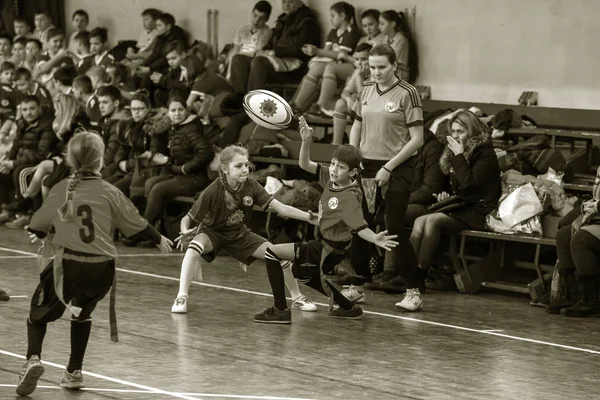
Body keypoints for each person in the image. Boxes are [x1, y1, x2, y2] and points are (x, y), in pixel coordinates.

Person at [14, 131, 173, 397]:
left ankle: (33, 358)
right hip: (102, 268)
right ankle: (74, 371)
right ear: (100, 162)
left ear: (69, 160)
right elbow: (137, 223)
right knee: (81, 314)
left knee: (37, 314)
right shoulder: (110, 191)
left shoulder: (62, 188)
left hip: (69, 265)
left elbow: (38, 224)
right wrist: (158, 239)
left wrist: (43, 233)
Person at [253, 118, 398, 323]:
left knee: (272, 252)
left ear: (353, 172)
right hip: (324, 244)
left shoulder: (349, 197)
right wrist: (306, 141)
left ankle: (280, 310)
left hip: (329, 249)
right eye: (333, 164)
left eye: (340, 167)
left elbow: (359, 226)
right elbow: (304, 164)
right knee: (302, 274)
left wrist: (375, 238)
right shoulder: (331, 179)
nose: (333, 169)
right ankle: (348, 307)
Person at [172, 144, 318, 314]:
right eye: (238, 166)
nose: (245, 169)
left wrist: (309, 217)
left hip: (239, 234)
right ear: (225, 169)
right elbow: (187, 218)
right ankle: (181, 297)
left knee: (279, 255)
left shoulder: (252, 186)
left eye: (246, 165)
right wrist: (184, 231)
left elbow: (281, 208)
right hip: (212, 233)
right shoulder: (213, 190)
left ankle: (297, 297)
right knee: (193, 248)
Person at [348, 43, 424, 311]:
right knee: (360, 225)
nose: (376, 72)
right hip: (366, 165)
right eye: (372, 67)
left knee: (393, 226)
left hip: (398, 166)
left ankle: (413, 290)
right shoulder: (366, 90)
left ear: (394, 65)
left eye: (382, 67)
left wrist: (389, 168)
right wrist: (353, 157)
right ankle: (358, 285)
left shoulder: (408, 93)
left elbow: (417, 139)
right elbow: (357, 123)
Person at [411, 110, 501, 290]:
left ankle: (419, 275)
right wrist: (445, 195)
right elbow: (455, 185)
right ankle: (408, 271)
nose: (455, 136)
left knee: (433, 221)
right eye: (453, 131)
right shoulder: (454, 150)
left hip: (480, 209)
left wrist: (459, 156)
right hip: (463, 205)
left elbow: (469, 184)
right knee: (420, 220)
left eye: (460, 131)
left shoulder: (485, 153)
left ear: (472, 131)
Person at [142, 96, 212, 231]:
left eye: (180, 109)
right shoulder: (175, 127)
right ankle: (156, 228)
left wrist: (185, 168)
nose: (177, 113)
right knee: (150, 182)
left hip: (194, 177)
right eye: (173, 110)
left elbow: (206, 153)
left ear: (186, 111)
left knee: (158, 189)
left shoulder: (191, 128)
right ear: (168, 113)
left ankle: (144, 231)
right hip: (177, 173)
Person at [229, 0, 321, 94]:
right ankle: (238, 100)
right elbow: (272, 42)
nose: (286, 5)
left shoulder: (308, 23)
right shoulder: (283, 20)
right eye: (284, 1)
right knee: (238, 59)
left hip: (294, 69)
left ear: (300, 2)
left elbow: (301, 51)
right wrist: (263, 51)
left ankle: (252, 104)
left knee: (259, 62)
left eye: (291, 2)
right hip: (277, 61)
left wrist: (274, 52)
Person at [312, 9, 384, 119]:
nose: (368, 29)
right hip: (356, 67)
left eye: (371, 24)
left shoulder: (383, 39)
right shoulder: (362, 39)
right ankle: (311, 106)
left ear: (379, 23)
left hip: (369, 72)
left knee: (331, 68)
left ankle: (321, 105)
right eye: (364, 26)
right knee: (317, 67)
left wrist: (346, 57)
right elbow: (356, 59)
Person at [290, 2, 360, 114]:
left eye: (333, 16)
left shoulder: (352, 32)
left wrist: (317, 51)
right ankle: (296, 105)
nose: (330, 19)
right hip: (334, 64)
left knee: (322, 68)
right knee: (315, 67)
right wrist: (314, 53)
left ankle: (315, 106)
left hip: (346, 66)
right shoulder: (333, 32)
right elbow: (326, 52)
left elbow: (339, 55)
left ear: (342, 16)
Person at [0, 95, 56, 223]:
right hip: (21, 161)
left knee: (21, 172)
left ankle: (25, 213)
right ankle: (6, 210)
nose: (28, 113)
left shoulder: (47, 126)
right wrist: (7, 161)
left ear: (39, 109)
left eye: (32, 109)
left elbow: (41, 153)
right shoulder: (21, 124)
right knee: (1, 171)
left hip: (37, 163)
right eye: (25, 110)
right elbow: (15, 146)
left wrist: (13, 163)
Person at [226, 1, 273, 80]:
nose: (256, 21)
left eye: (261, 18)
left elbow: (256, 52)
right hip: (237, 61)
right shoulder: (242, 29)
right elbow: (235, 51)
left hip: (253, 62)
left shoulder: (267, 32)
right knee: (233, 59)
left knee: (238, 60)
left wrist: (238, 57)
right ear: (251, 13)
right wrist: (229, 74)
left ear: (266, 19)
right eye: (255, 15)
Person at [379, 10, 418, 83]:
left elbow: (391, 60)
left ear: (392, 24)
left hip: (399, 75)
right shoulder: (385, 39)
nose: (379, 27)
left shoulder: (401, 39)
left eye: (382, 24)